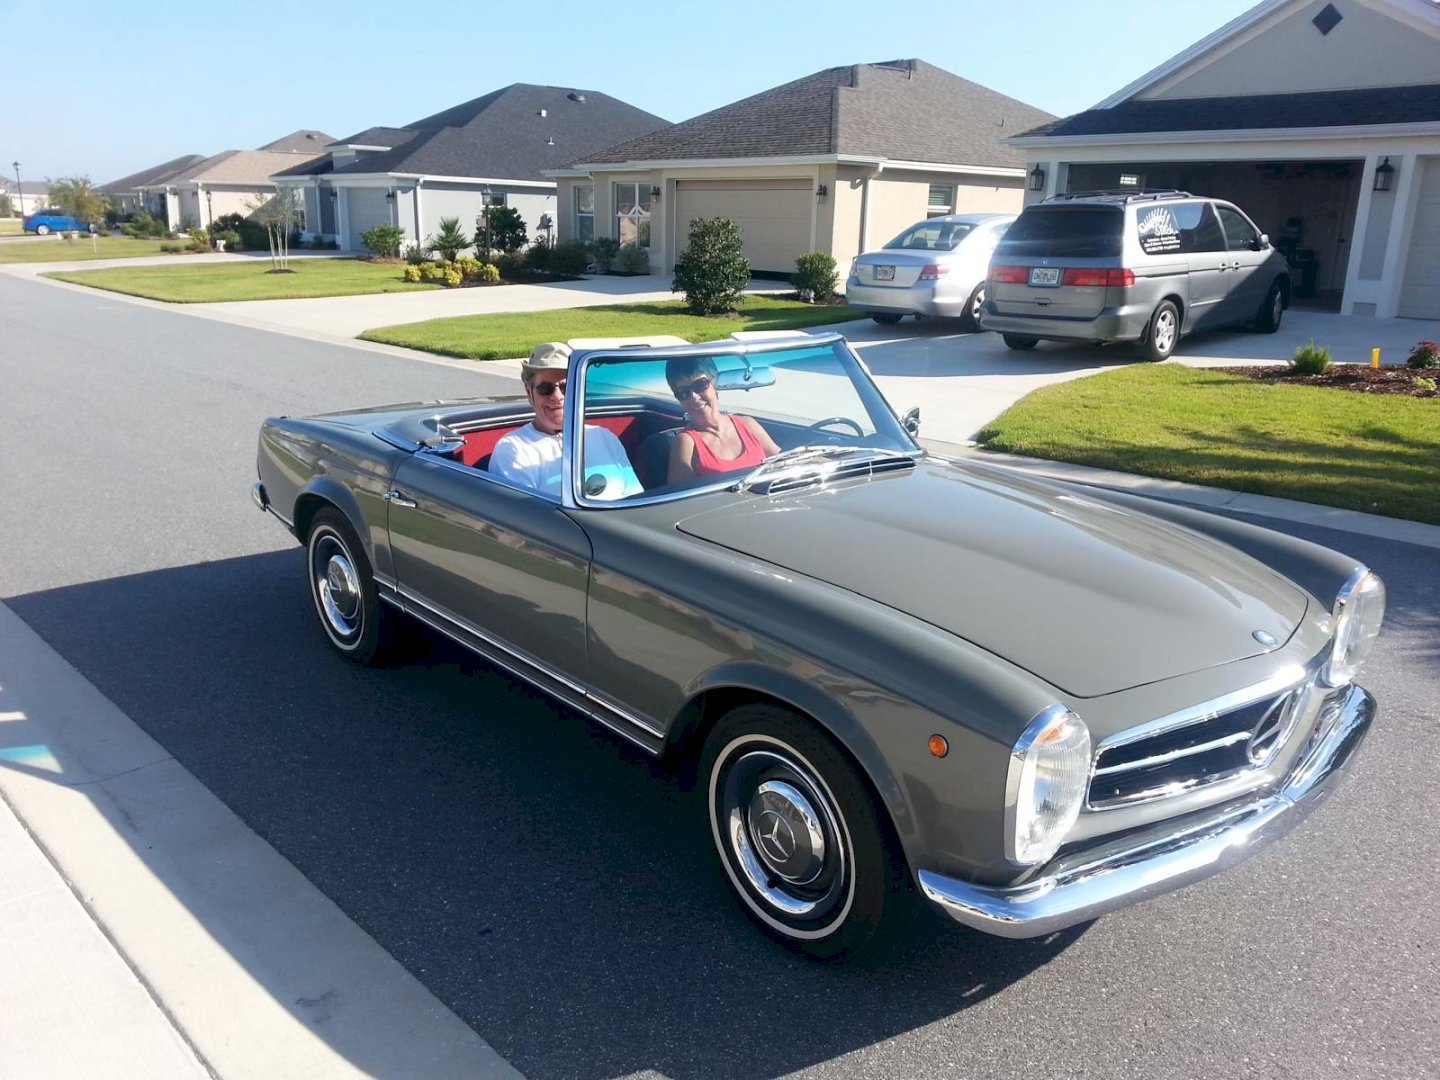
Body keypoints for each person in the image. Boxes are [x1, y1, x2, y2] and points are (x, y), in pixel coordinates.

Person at [489, 342, 644, 500]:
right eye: (545, 388)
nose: (557, 397)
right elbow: (527, 513)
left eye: (566, 387)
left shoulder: (605, 438)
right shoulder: (513, 450)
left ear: (579, 390)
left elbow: (635, 499)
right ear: (529, 392)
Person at [665, 356, 781, 485]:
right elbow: (679, 496)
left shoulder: (747, 424)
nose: (694, 397)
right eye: (683, 392)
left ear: (715, 385)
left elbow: (784, 464)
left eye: (700, 385)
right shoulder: (686, 443)